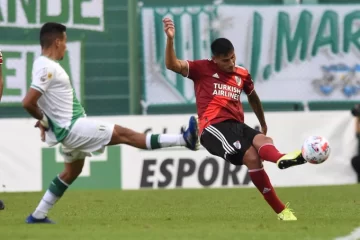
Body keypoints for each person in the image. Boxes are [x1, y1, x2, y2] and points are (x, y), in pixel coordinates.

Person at [22, 22, 199, 224]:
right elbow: (28, 102)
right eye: (65, 42)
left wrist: (46, 120)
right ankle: (184, 139)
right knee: (126, 135)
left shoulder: (41, 64)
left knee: (72, 172)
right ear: (57, 41)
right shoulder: (48, 67)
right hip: (74, 128)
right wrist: (44, 120)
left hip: (69, 129)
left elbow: (42, 102)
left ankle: (37, 215)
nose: (66, 47)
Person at [163, 17, 307, 221]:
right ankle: (281, 210)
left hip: (237, 125)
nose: (230, 63)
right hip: (212, 128)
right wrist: (170, 39)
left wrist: (263, 121)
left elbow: (253, 97)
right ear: (214, 59)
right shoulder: (201, 68)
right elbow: (172, 64)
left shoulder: (242, 74)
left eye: (232, 57)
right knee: (252, 157)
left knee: (264, 141)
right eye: (225, 60)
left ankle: (282, 161)